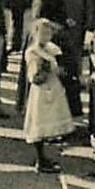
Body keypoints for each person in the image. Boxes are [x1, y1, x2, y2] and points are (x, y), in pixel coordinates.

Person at [22, 21, 74, 174]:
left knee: (50, 122)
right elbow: (34, 77)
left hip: (53, 89)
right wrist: (44, 70)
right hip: (41, 92)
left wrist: (62, 71)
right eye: (42, 33)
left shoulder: (52, 49)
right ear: (35, 33)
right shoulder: (33, 52)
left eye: (48, 33)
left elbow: (59, 67)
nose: (45, 37)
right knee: (39, 124)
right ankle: (40, 158)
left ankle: (43, 156)